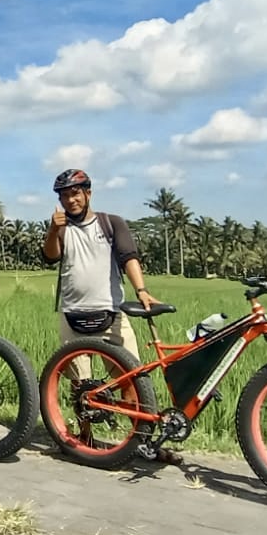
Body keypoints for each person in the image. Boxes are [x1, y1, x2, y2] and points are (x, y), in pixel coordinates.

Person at [41, 168, 177, 462]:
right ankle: (83, 438)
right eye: (64, 196)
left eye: (75, 193)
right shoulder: (61, 228)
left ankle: (143, 441)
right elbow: (50, 256)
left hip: (110, 313)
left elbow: (129, 257)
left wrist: (141, 290)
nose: (70, 200)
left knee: (130, 380)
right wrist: (52, 229)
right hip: (72, 315)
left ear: (88, 193)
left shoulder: (110, 223)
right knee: (82, 385)